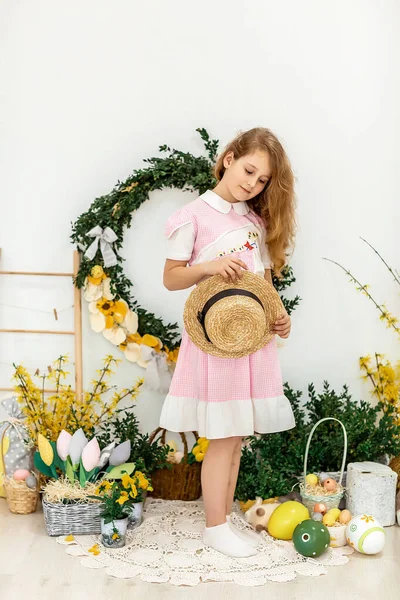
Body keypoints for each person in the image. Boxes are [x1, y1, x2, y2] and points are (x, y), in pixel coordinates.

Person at [160, 127, 296, 557]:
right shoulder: (195, 216)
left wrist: (279, 317)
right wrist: (209, 266)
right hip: (215, 343)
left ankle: (222, 516)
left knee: (237, 433)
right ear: (229, 158)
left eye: (261, 181)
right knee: (222, 434)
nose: (252, 184)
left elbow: (263, 283)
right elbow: (171, 277)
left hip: (250, 342)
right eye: (249, 170)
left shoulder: (253, 221)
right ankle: (213, 527)